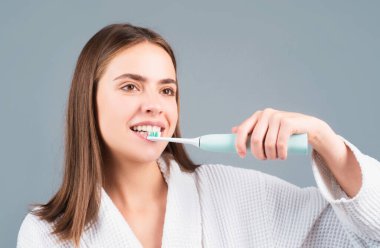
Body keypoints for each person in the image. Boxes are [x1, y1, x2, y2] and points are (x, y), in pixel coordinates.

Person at [17, 23, 380, 248]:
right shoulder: (45, 234)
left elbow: (369, 235)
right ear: (88, 101)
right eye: (130, 87)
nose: (154, 106)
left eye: (167, 90)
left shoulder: (238, 196)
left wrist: (323, 139)